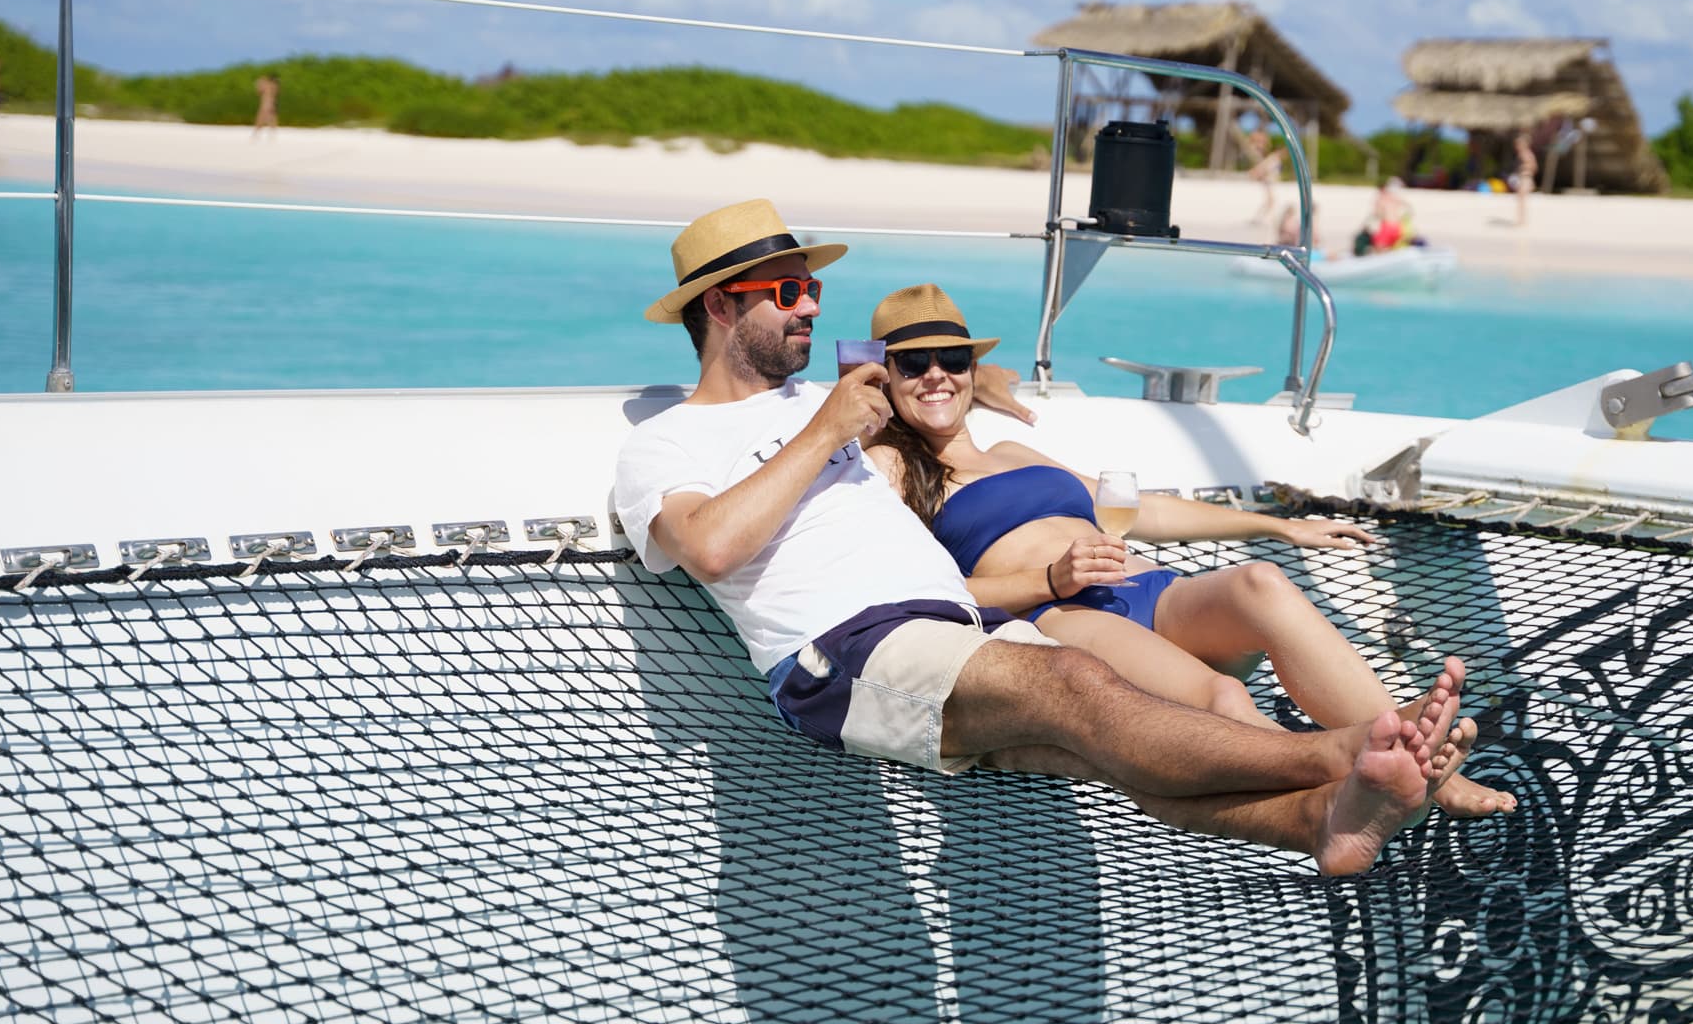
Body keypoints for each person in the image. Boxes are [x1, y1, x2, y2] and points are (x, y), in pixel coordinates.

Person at [614, 199, 1477, 875]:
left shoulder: (829, 401)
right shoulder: (668, 442)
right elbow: (711, 547)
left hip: (956, 630)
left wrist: (977, 378)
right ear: (721, 305)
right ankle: (1346, 752)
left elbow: (927, 377)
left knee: (1114, 749)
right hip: (849, 649)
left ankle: (1320, 822)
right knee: (1078, 681)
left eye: (813, 290)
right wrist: (824, 430)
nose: (809, 306)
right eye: (787, 293)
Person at [862, 282, 1516, 820]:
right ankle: (1356, 783)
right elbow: (913, 594)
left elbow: (1138, 508)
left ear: (972, 369)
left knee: (1260, 583)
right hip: (1059, 616)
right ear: (885, 375)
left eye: (953, 359)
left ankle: (1415, 758)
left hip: (1146, 587)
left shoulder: (1010, 449)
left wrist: (1277, 528)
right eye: (913, 364)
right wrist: (1051, 578)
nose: (936, 375)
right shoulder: (891, 466)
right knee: (1222, 698)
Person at [1244, 128, 1282, 231]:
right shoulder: (1269, 157)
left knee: (1271, 201)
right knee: (1271, 200)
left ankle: (1262, 219)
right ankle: (1263, 219)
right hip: (1268, 180)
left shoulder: (1269, 157)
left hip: (1268, 179)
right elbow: (1262, 167)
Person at [1366, 177, 1412, 252]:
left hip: (1387, 226)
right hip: (1398, 227)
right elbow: (1407, 206)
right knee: (1390, 249)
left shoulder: (1380, 199)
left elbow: (1377, 214)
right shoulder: (1394, 197)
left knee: (1379, 248)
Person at [1509, 132, 1537, 227]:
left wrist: (1523, 168)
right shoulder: (1523, 154)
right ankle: (1521, 220)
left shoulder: (1526, 154)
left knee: (1522, 201)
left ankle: (1522, 221)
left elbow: (1533, 166)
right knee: (1521, 200)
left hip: (1525, 178)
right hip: (1524, 178)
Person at [253, 73, 280, 137]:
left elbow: (259, 91)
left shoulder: (268, 85)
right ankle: (271, 133)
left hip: (266, 103)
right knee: (270, 118)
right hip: (270, 103)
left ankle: (257, 133)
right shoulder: (273, 85)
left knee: (263, 118)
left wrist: (260, 81)